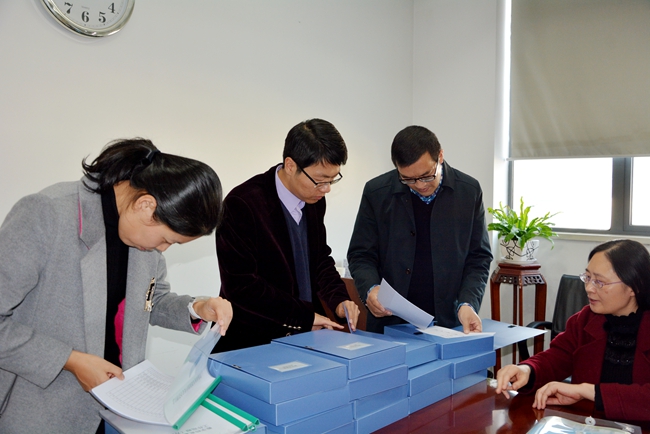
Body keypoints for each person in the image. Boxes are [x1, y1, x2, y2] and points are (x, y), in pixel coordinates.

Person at [0, 138, 233, 433]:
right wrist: (70, 360)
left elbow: (150, 300)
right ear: (146, 205)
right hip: (41, 408)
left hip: (117, 406)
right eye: (167, 240)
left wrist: (197, 307)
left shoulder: (140, 232)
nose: (163, 250)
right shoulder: (47, 214)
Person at [213, 118, 359, 353]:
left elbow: (319, 259)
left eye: (332, 180)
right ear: (290, 165)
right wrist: (304, 316)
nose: (326, 189)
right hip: (253, 340)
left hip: (304, 337)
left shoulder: (313, 200)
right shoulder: (242, 204)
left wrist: (340, 300)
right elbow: (242, 286)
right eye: (320, 181)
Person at [347, 125, 492, 334]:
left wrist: (468, 303)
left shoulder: (468, 191)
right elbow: (360, 254)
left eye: (426, 176)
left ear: (440, 156)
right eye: (408, 179)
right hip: (390, 322)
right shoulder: (377, 192)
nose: (420, 185)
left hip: (449, 322)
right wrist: (371, 289)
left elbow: (479, 258)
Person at [496, 239, 650, 423]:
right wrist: (528, 370)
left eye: (599, 282)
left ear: (634, 287)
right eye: (588, 278)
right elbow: (559, 356)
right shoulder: (586, 319)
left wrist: (587, 391)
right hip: (590, 423)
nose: (589, 288)